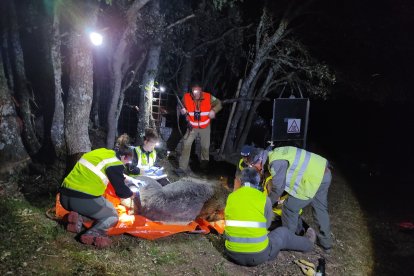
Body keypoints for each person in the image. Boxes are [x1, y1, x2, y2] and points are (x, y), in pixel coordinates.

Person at [224, 167, 315, 266]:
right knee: (283, 233)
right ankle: (308, 244)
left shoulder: (231, 197)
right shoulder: (264, 199)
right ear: (257, 182)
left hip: (231, 254)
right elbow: (267, 225)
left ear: (240, 181)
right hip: (258, 256)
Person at [250, 146, 333, 253]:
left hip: (311, 179)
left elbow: (278, 188)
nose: (254, 168)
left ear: (260, 159)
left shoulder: (276, 163)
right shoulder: (276, 153)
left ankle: (289, 240)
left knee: (290, 207)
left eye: (253, 165)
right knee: (320, 208)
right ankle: (326, 244)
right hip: (324, 173)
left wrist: (267, 204)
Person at [59, 144, 137, 248]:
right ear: (124, 156)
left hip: (64, 197)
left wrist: (122, 177)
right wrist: (131, 194)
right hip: (82, 199)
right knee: (112, 215)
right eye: (128, 160)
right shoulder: (115, 163)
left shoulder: (102, 152)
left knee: (97, 210)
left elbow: (101, 170)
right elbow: (121, 191)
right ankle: (93, 233)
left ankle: (78, 219)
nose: (127, 163)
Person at [175, 82, 222, 175]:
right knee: (186, 144)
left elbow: (219, 103)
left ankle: (204, 167)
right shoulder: (186, 97)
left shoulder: (208, 97)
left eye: (198, 91)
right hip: (192, 126)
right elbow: (179, 107)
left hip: (205, 126)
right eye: (194, 91)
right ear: (191, 90)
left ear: (201, 90)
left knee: (205, 146)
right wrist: (182, 111)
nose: (196, 93)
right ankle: (182, 167)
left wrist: (213, 110)